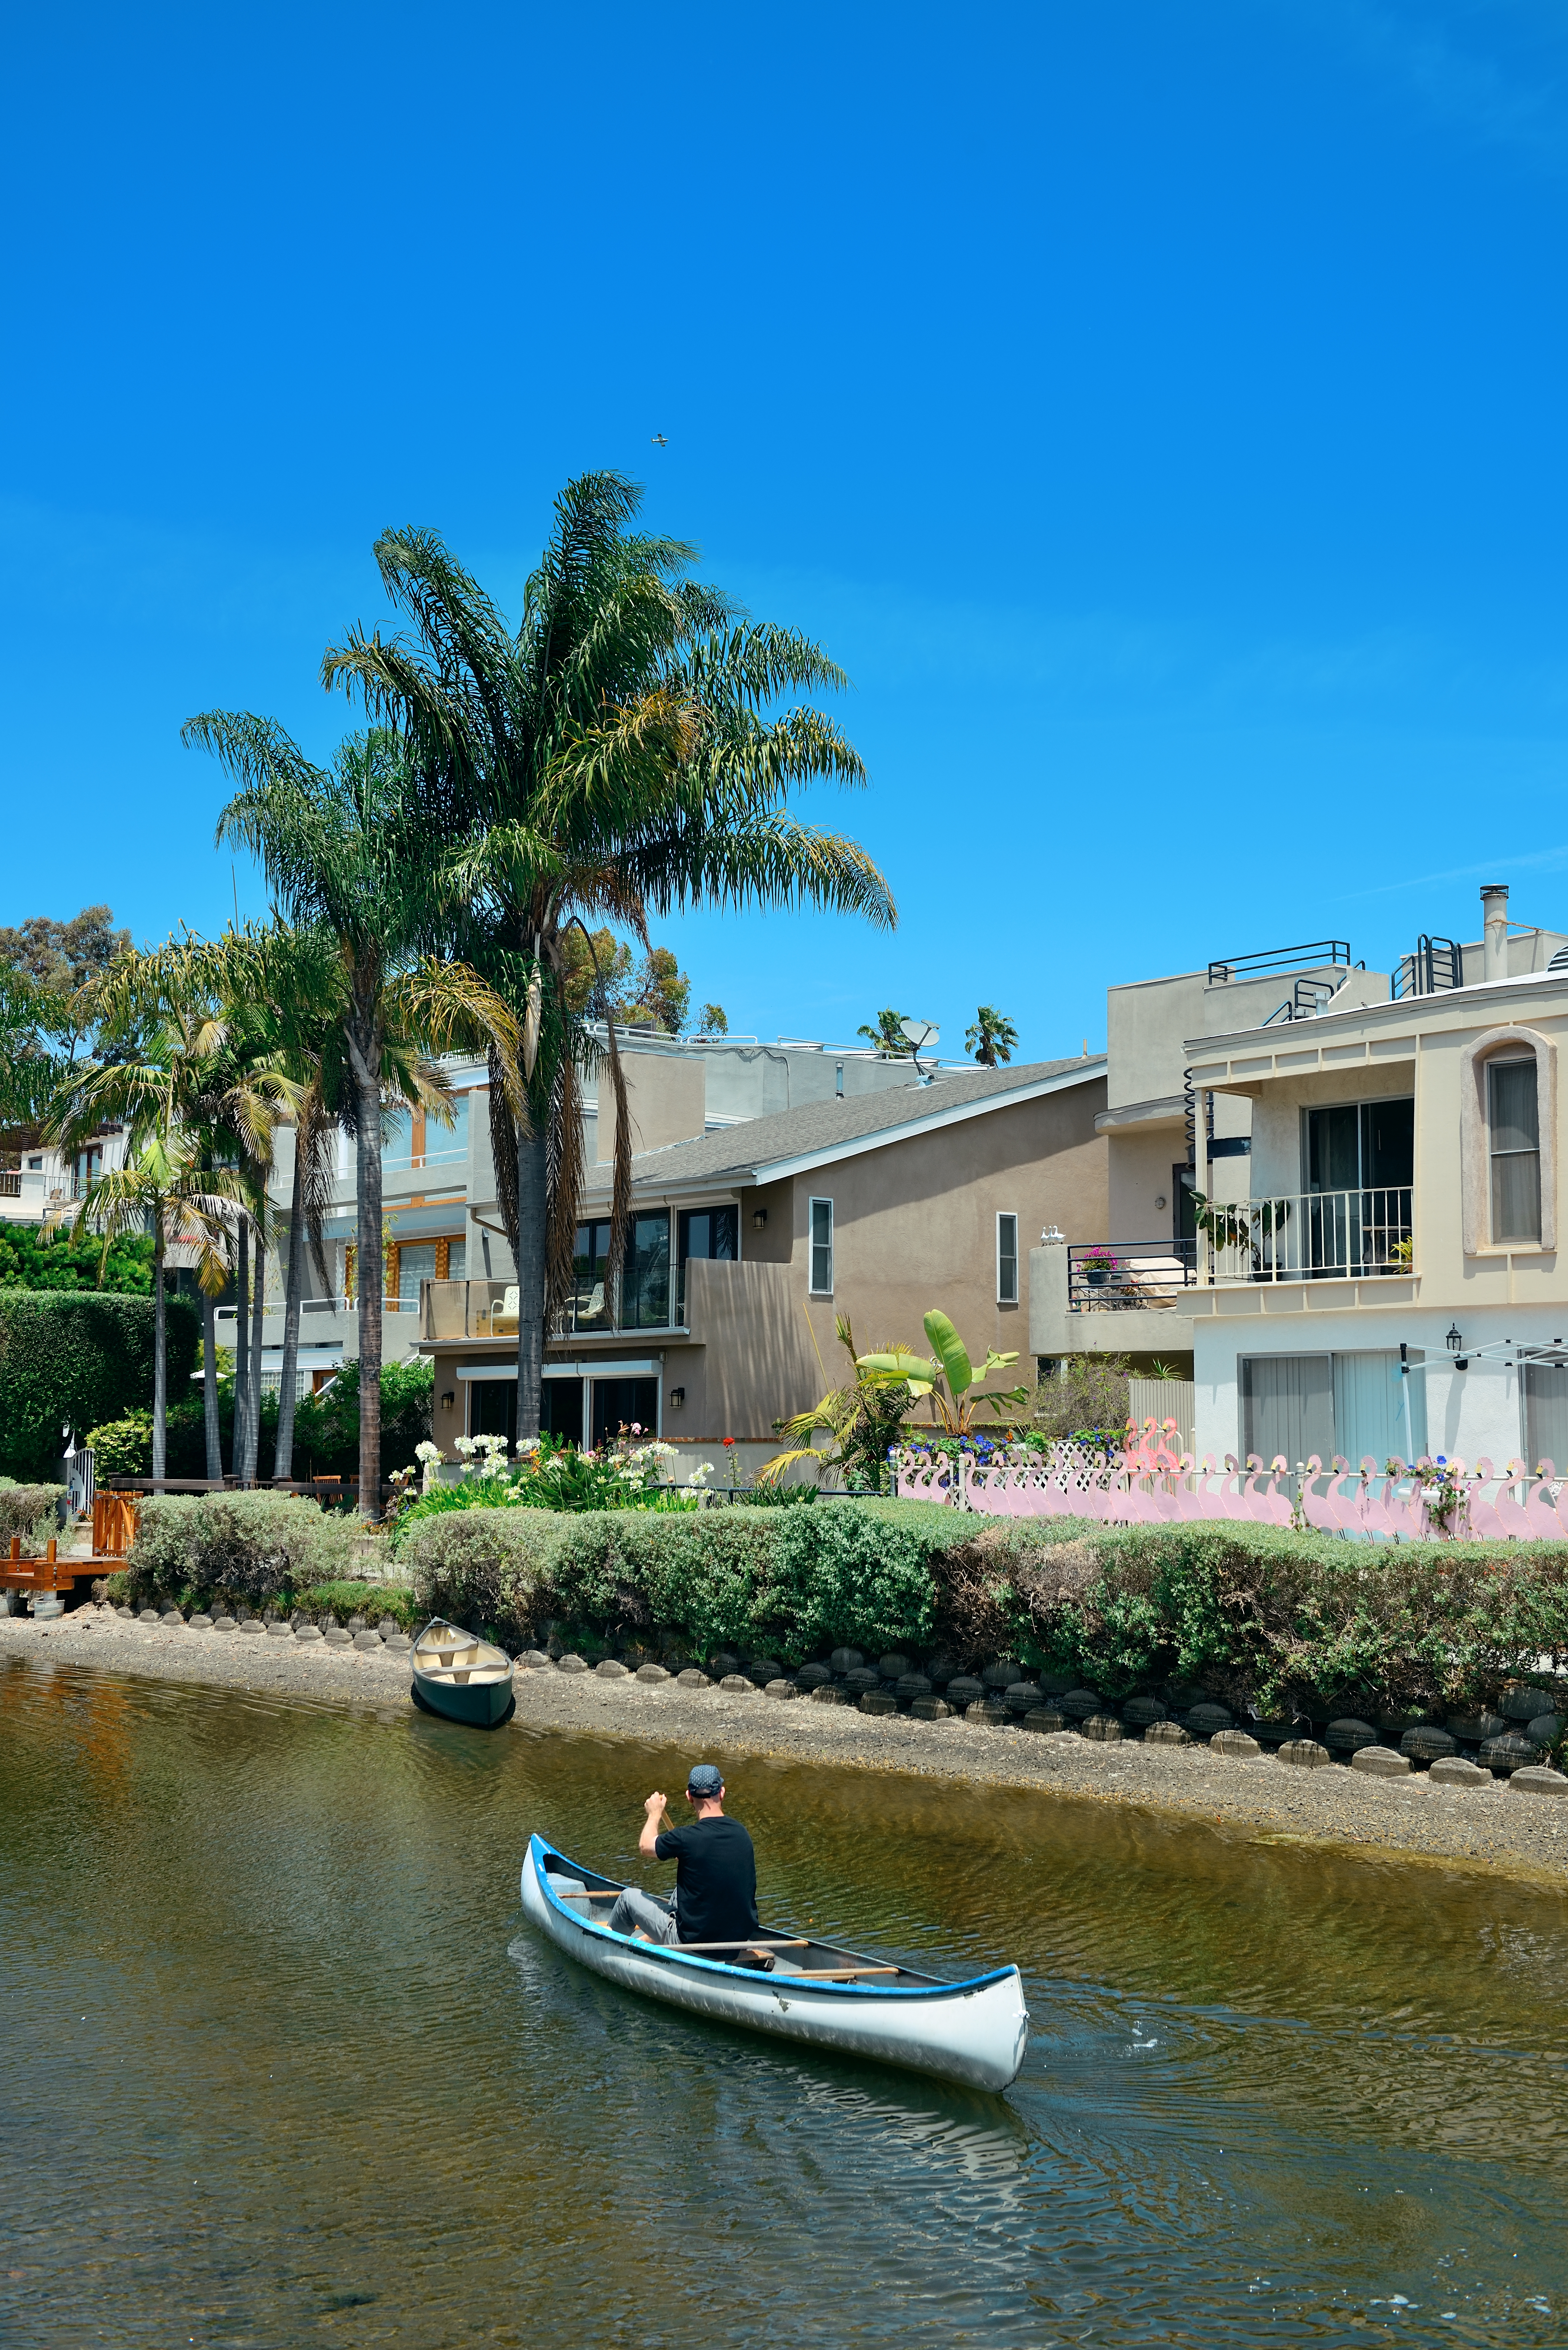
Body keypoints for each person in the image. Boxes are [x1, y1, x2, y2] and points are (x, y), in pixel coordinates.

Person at [607, 1764, 764, 1960]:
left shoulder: (686, 1838)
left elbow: (645, 1846)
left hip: (694, 1944)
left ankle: (607, 1950)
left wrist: (655, 1814)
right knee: (681, 1891)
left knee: (628, 1899)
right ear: (722, 1793)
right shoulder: (742, 1834)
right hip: (736, 1942)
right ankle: (648, 1942)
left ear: (689, 1796)